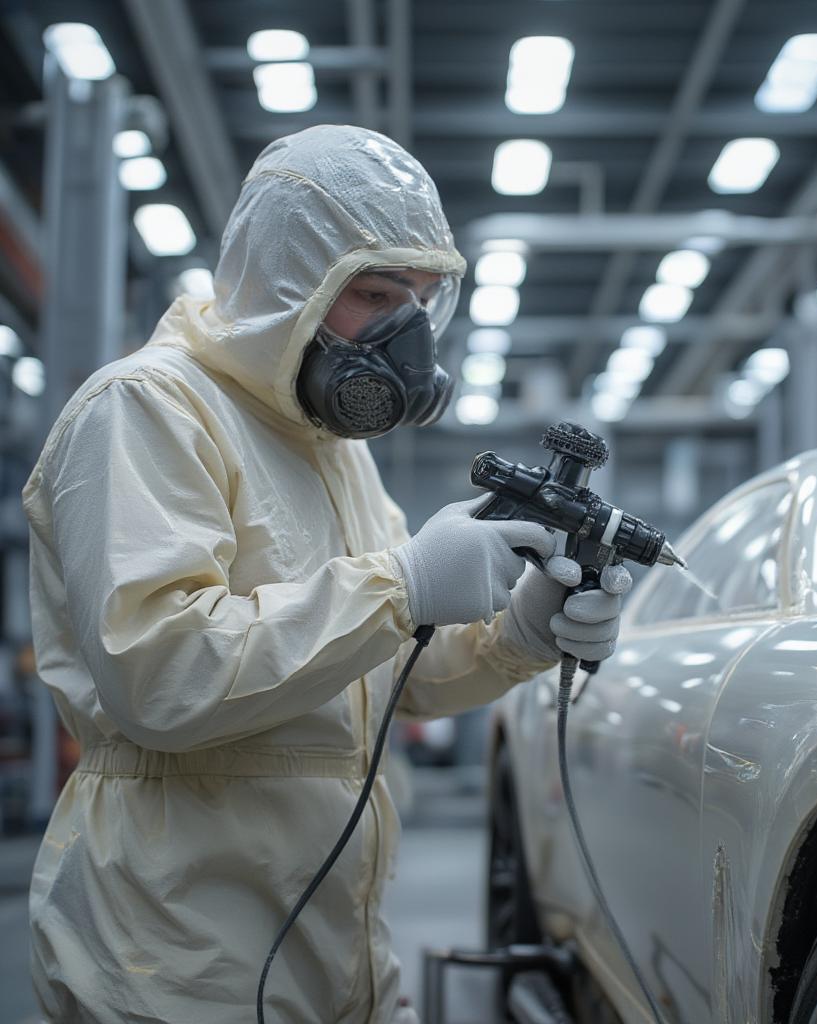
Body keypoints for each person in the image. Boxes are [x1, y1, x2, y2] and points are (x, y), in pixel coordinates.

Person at [21, 125, 631, 1023]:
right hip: (178, 960)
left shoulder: (335, 453)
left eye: (422, 300)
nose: (406, 333)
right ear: (282, 283)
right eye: (377, 293)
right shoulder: (148, 409)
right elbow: (159, 672)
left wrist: (520, 633)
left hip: (335, 947)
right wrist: (404, 584)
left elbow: (389, 681)